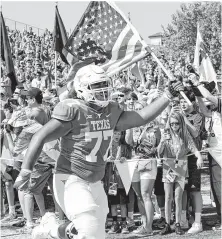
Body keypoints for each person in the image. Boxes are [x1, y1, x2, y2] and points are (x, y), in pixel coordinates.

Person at [14, 64, 183, 239]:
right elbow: (39, 137)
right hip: (71, 179)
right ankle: (50, 229)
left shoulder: (110, 110)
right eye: (96, 86)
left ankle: (51, 229)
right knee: (88, 233)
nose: (102, 90)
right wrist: (25, 172)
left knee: (93, 233)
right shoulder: (74, 110)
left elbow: (140, 117)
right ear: (81, 88)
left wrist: (167, 96)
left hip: (96, 182)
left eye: (104, 84)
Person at [158, 112, 203, 235]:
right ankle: (167, 224)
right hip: (168, 167)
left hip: (181, 167)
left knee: (178, 197)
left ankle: (177, 223)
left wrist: (199, 157)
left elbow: (193, 148)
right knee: (168, 197)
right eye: (172, 123)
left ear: (181, 123)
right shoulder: (166, 134)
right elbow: (159, 152)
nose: (174, 126)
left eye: (177, 123)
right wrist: (163, 141)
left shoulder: (185, 135)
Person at [189, 75, 221, 230]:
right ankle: (220, 219)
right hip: (214, 153)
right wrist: (196, 94)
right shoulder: (213, 113)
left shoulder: (220, 104)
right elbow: (203, 109)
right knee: (217, 188)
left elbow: (209, 96)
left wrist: (197, 84)